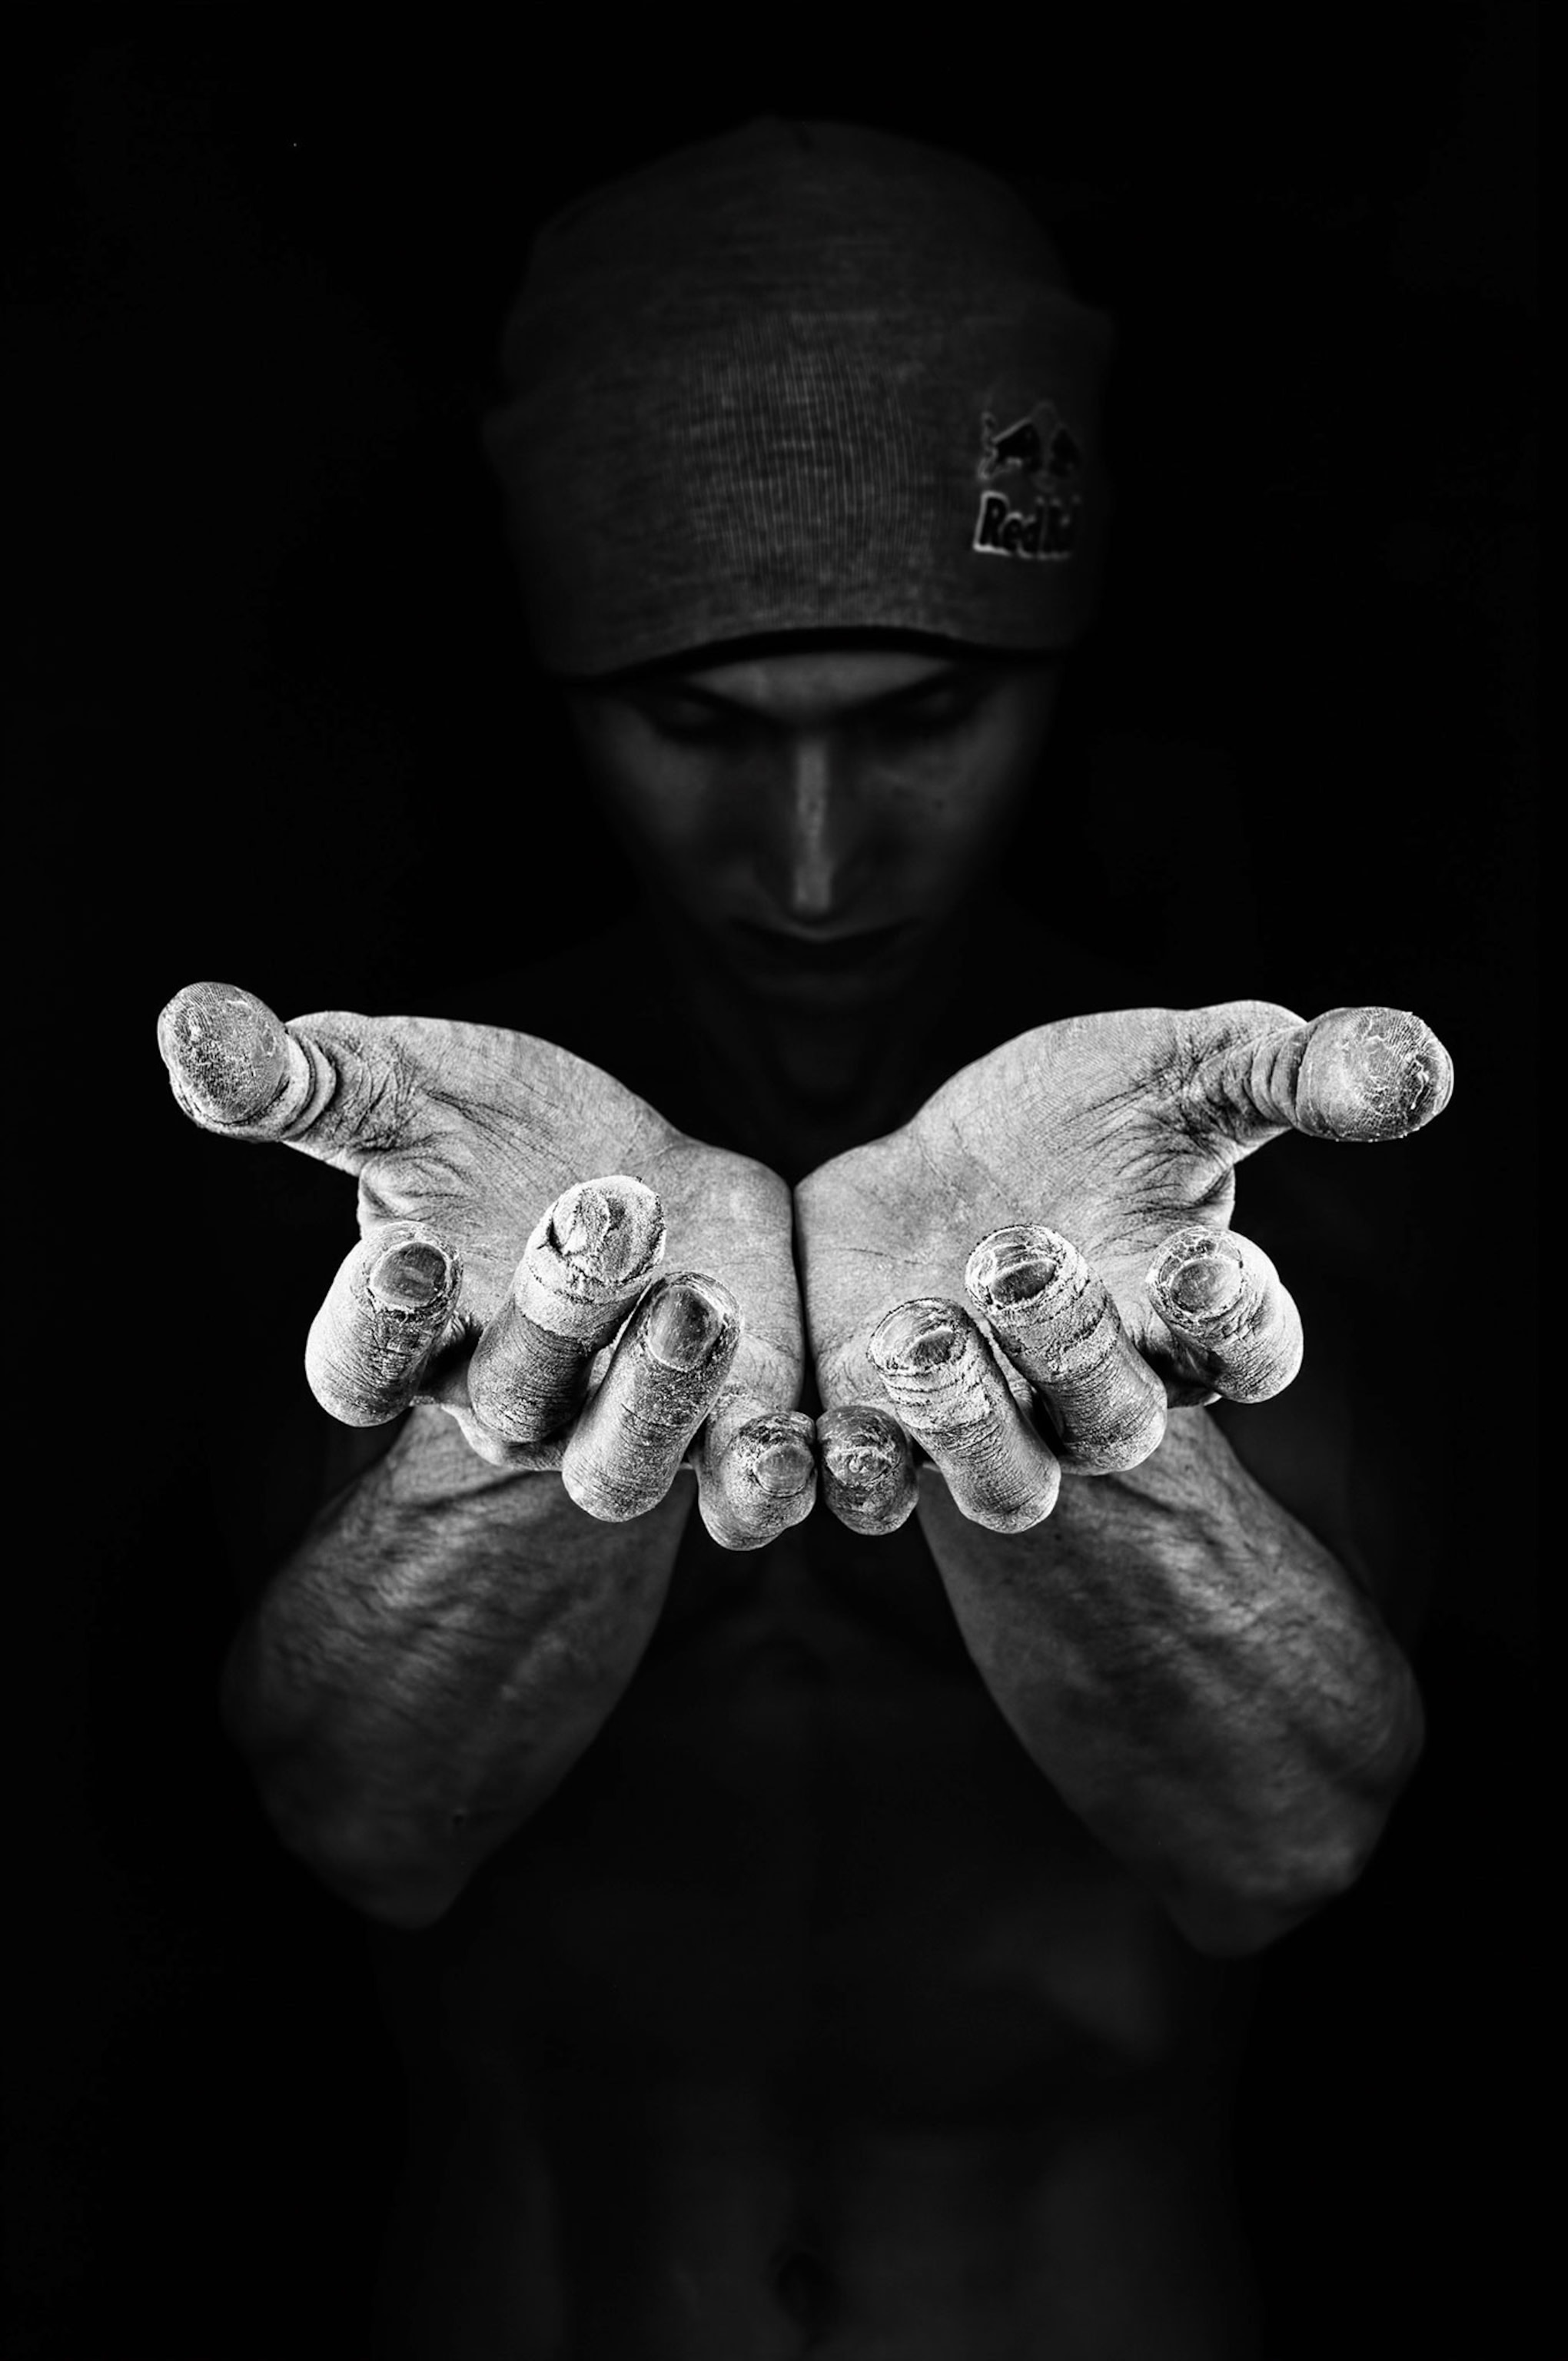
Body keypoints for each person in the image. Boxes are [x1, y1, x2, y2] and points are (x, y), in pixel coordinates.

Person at [157, 120, 1453, 2359]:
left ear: (1057, 672)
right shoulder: (418, 1191)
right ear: (568, 695)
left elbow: (1287, 1842)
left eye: (924, 720)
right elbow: (352, 1819)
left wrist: (1072, 1416)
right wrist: (536, 1413)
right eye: (699, 730)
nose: (821, 863)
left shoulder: (1216, 1174)